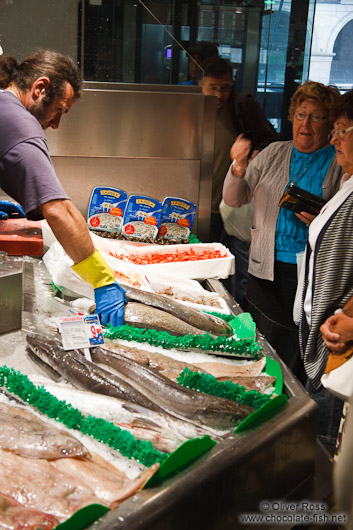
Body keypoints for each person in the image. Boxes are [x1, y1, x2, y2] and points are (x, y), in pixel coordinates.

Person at [222, 81, 342, 381]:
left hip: (308, 275)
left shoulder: (339, 163)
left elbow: (341, 222)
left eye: (316, 116)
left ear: (329, 124)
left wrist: (321, 220)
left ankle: (286, 408)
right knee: (256, 345)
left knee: (290, 354)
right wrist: (237, 166)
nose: (306, 123)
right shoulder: (274, 152)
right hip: (264, 268)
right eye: (301, 114)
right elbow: (235, 198)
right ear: (292, 116)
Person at [0, 49, 126, 327]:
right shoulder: (22, 125)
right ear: (40, 88)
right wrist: (102, 280)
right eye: (59, 110)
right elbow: (58, 210)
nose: (56, 124)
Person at [300, 88, 353, 454]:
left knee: (318, 460)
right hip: (319, 341)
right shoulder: (347, 182)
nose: (333, 138)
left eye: (343, 130)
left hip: (337, 353)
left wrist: (348, 318)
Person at [198, 56, 278, 245]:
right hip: (196, 205)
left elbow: (271, 141)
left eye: (225, 88)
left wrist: (252, 155)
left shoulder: (242, 107)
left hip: (231, 205)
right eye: (213, 87)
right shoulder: (190, 108)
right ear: (200, 84)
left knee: (232, 262)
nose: (219, 94)